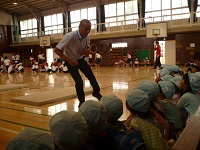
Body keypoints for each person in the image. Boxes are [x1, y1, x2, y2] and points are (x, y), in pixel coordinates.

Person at [53, 19, 102, 107]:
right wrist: (69, 60)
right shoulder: (70, 36)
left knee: (91, 76)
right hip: (69, 61)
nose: (87, 31)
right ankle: (82, 102)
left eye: (89, 29)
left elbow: (81, 52)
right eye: (86, 29)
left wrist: (86, 52)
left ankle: (96, 93)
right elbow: (56, 50)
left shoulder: (87, 37)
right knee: (79, 82)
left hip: (80, 59)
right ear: (79, 27)